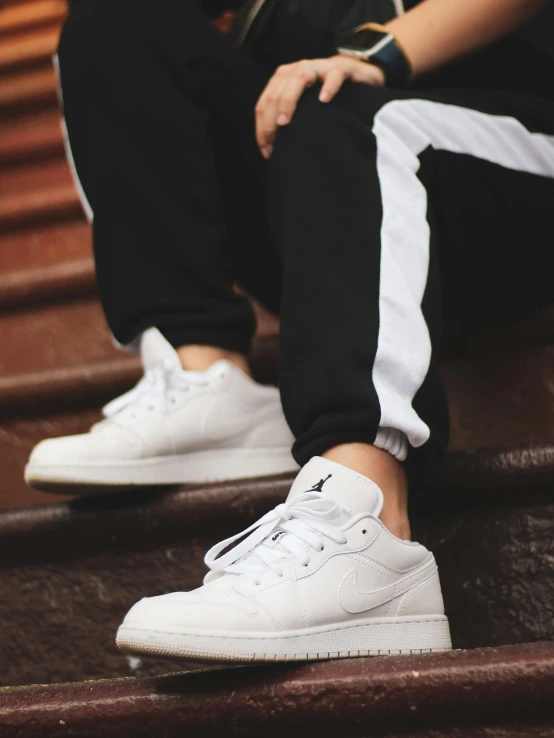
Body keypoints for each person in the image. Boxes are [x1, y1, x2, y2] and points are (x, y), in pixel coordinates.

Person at [28, 0, 554, 660]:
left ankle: (368, 516)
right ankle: (203, 370)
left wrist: (372, 56)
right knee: (115, 21)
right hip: (326, 175)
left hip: (512, 154)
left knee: (334, 97)